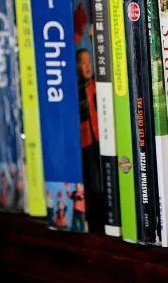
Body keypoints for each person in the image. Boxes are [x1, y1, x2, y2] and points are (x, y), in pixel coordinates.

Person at [76, 48, 102, 230]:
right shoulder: (76, 90)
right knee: (91, 178)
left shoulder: (97, 86)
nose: (87, 66)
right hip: (86, 140)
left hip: (101, 136)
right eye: (82, 62)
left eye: (88, 61)